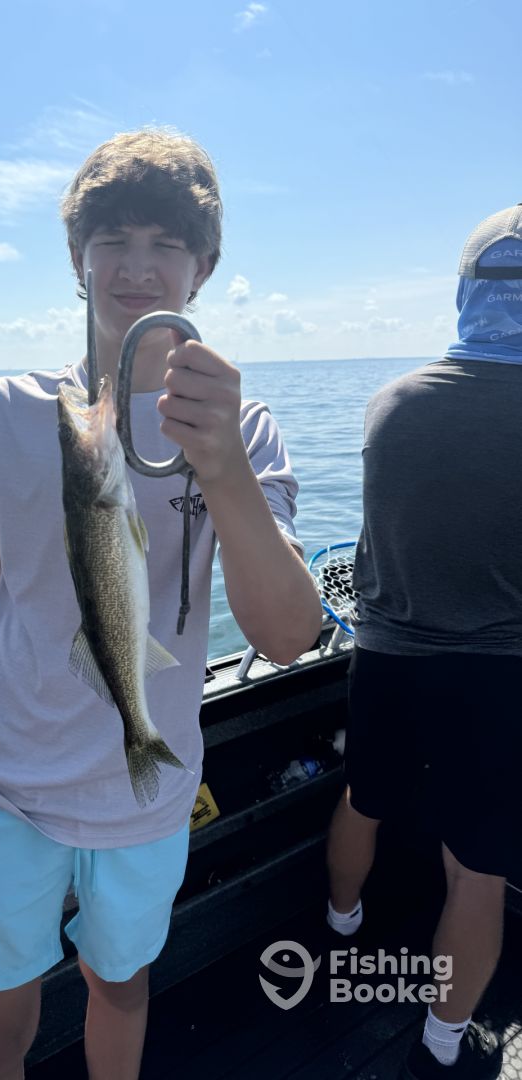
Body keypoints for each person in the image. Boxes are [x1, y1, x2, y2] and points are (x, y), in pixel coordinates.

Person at [0, 128, 322, 1080]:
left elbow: (289, 636)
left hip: (148, 794)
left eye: (166, 243)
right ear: (76, 257)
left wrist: (223, 466)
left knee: (120, 987)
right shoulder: (11, 410)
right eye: (112, 239)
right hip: (3, 782)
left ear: (204, 268)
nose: (136, 265)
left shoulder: (242, 428)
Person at [325, 203, 522, 1080]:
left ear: (465, 292)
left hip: (389, 664)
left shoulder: (390, 403)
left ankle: (340, 924)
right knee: (477, 871)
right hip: (499, 682)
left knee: (364, 798)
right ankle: (442, 1045)